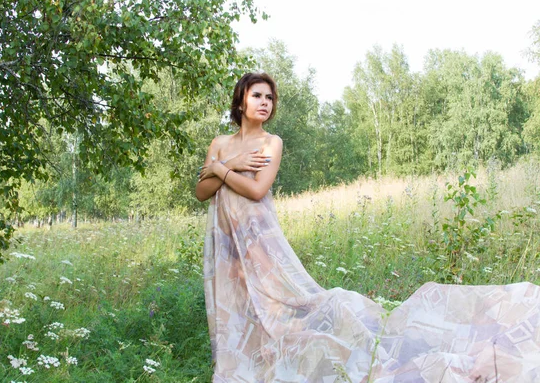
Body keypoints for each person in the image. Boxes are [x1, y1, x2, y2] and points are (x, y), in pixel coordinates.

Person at [195, 73, 540, 382]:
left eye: (270, 98)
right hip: (226, 237)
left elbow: (257, 190)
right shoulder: (220, 144)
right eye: (257, 95)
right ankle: (251, 356)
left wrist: (222, 169)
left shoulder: (272, 143)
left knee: (279, 304)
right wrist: (229, 162)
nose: (265, 103)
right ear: (241, 99)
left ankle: (288, 353)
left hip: (261, 239)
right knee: (237, 300)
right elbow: (200, 192)